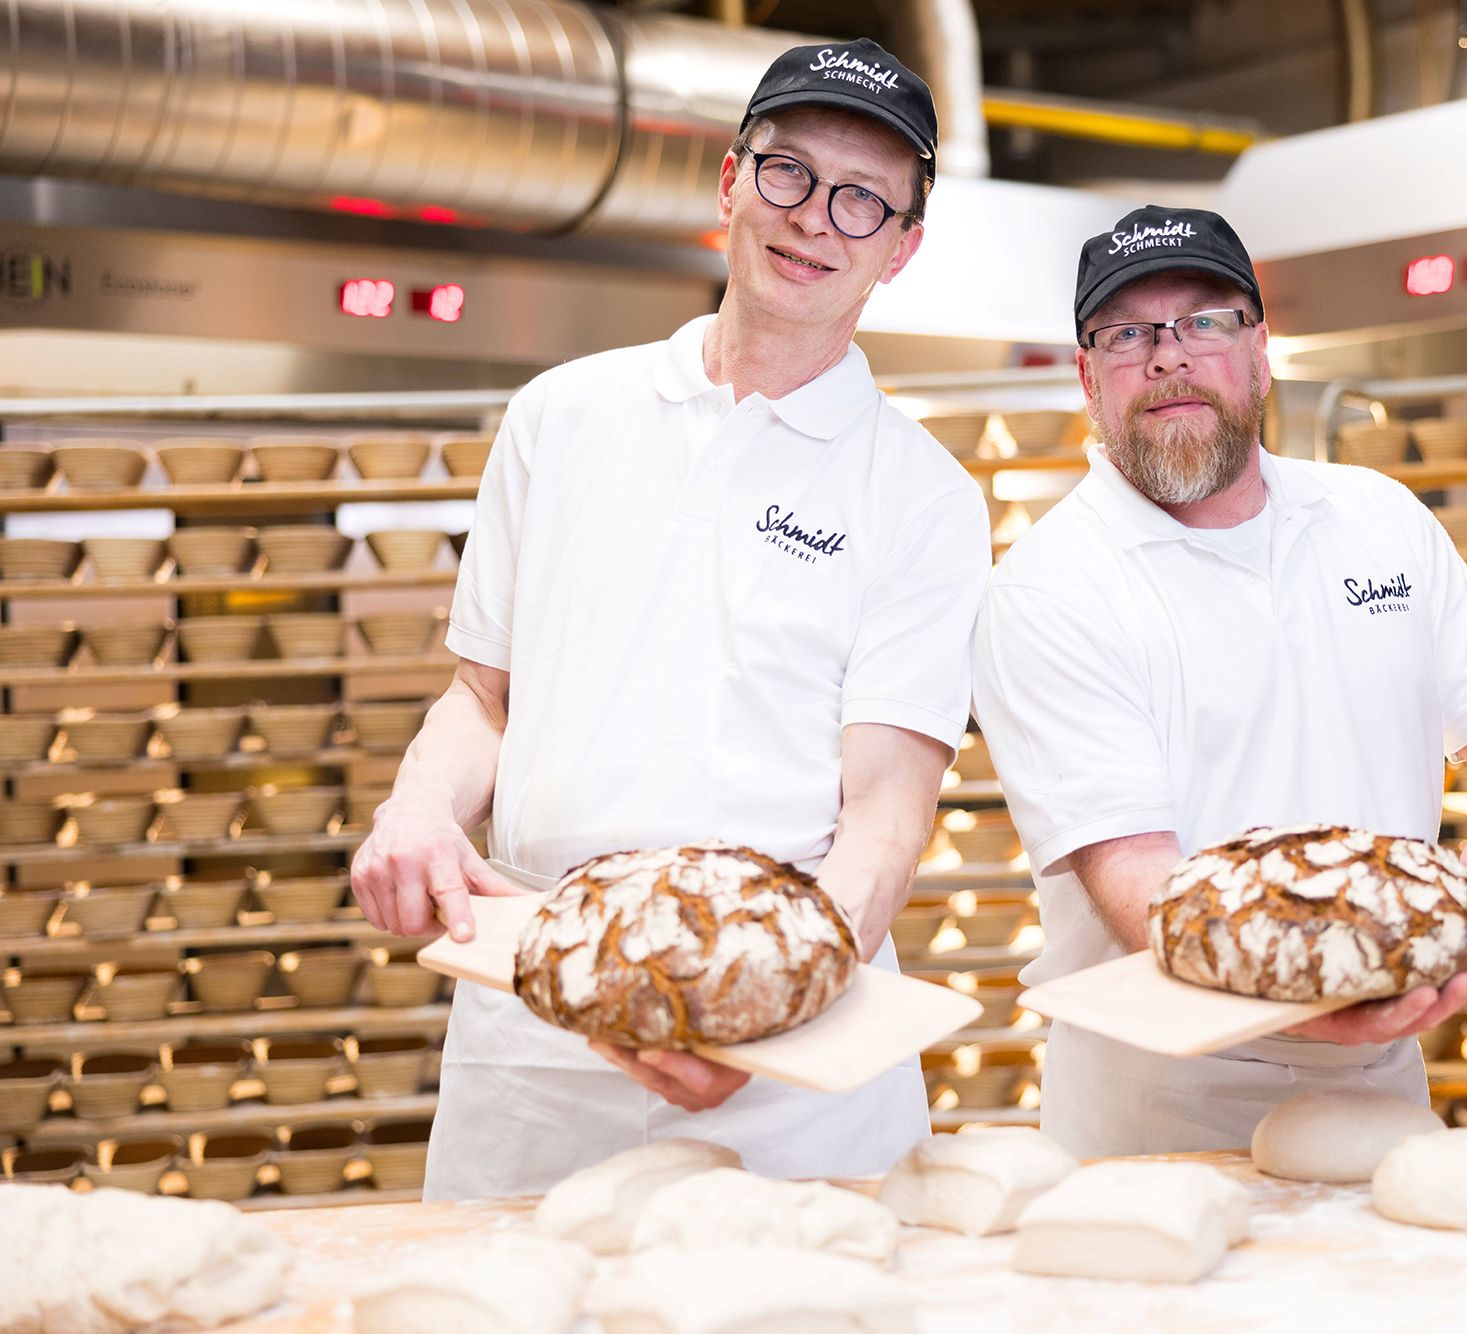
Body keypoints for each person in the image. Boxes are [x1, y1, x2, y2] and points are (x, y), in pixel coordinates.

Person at [350, 38, 992, 1198]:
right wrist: (416, 804)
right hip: (536, 1026)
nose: (815, 221)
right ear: (728, 180)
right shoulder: (562, 414)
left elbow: (886, 809)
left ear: (901, 248)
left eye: (862, 200)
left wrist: (767, 1001)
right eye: (788, 172)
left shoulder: (924, 494)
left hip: (792, 1068)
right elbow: (483, 698)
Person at [969, 205, 1467, 1158]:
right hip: (1160, 1102)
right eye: (1127, 334)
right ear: (1089, 377)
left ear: (1260, 350)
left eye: (1204, 322)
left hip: (1380, 1069)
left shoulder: (1378, 518)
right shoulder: (1050, 587)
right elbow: (1137, 878)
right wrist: (1313, 1000)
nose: (1168, 356)